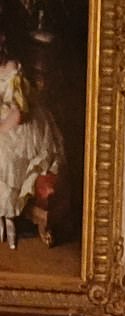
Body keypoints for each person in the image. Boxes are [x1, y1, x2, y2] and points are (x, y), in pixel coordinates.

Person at [0, 27, 63, 249]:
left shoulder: (14, 71)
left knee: (4, 155)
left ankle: (7, 215)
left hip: (21, 124)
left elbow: (18, 114)